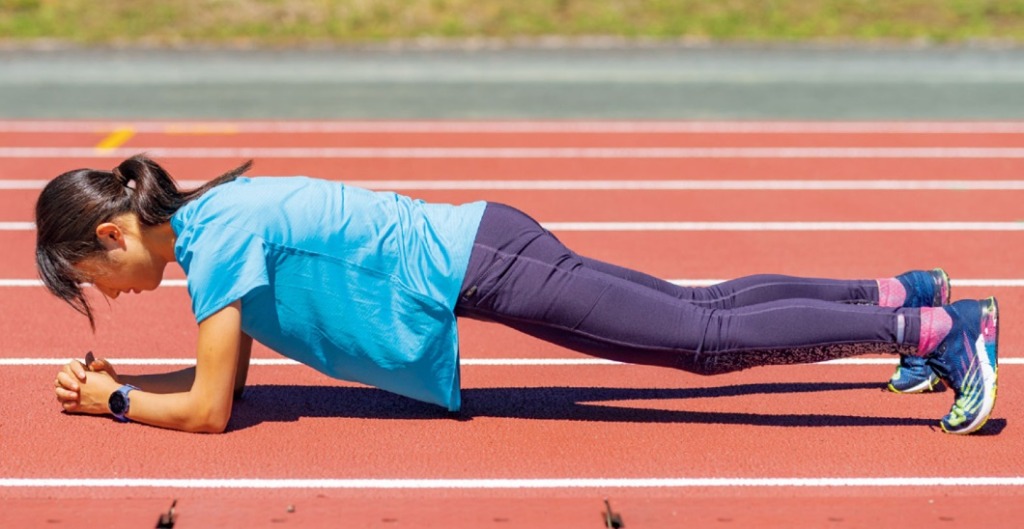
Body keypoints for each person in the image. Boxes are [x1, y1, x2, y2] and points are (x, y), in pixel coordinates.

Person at [41, 155, 999, 435]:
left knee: (700, 344)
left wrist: (116, 399)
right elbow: (233, 371)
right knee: (699, 307)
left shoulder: (219, 241)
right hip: (487, 243)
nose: (111, 299)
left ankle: (939, 330)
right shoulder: (216, 226)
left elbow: (211, 408)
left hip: (485, 263)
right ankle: (903, 296)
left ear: (115, 234)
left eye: (94, 280)